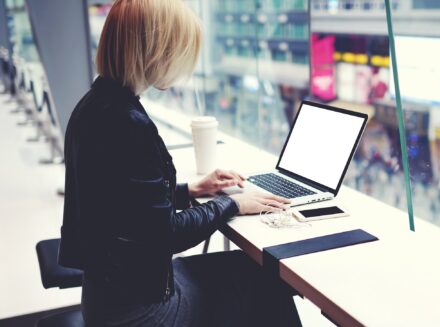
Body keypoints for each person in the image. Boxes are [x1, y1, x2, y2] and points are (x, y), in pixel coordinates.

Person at [58, 0, 301, 326]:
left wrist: (192, 189)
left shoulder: (93, 106)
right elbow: (165, 235)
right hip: (139, 312)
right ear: (158, 51)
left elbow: (126, 209)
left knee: (247, 270)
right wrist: (231, 204)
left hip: (105, 297)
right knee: (268, 282)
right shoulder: (127, 124)